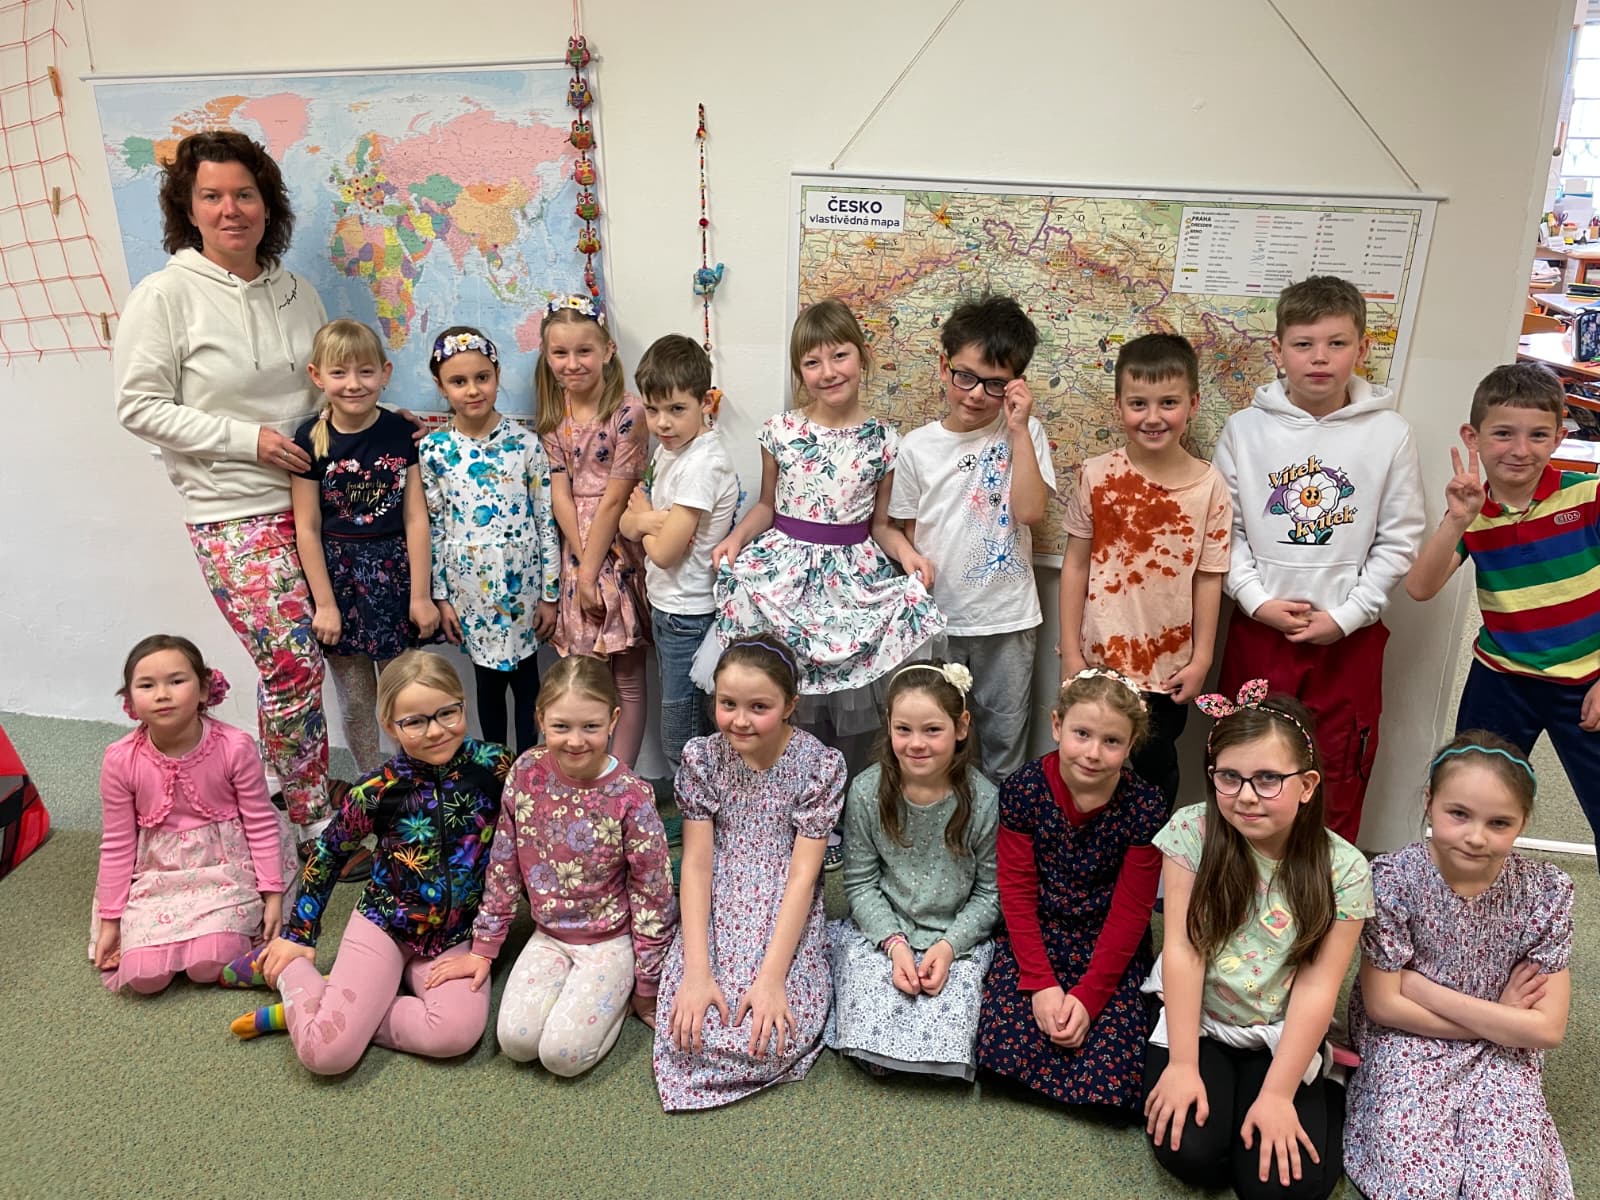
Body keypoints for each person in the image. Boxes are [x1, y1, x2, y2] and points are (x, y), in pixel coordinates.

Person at [114, 130, 334, 848]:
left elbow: (327, 391)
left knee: (315, 658)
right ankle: (311, 819)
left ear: (267, 204)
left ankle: (278, 779)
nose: (230, 209)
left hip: (314, 500)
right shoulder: (164, 295)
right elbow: (139, 406)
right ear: (189, 208)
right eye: (212, 196)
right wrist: (250, 440)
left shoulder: (299, 292)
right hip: (233, 511)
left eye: (244, 194)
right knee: (291, 662)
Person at [1211, 276, 1425, 842]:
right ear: (1278, 350)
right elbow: (1222, 532)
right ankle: (1239, 889)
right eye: (1304, 344)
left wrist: (1349, 615)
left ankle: (1324, 895)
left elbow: (1400, 538)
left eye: (1336, 343)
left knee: (1337, 775)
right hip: (1261, 633)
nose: (1320, 358)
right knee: (1246, 774)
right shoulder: (1244, 430)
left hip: (1347, 639)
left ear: (1362, 348)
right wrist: (1256, 601)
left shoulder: (1390, 434)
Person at [230, 652, 512, 1075]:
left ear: (463, 705)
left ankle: (332, 1004)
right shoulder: (375, 790)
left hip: (455, 934)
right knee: (327, 1057)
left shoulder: (497, 766)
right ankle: (295, 978)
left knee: (455, 1035)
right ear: (389, 725)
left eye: (447, 713)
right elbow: (327, 854)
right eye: (415, 722)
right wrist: (299, 934)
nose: (436, 730)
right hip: (385, 923)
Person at [1143, 683, 1373, 1200]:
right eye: (1229, 776)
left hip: (1281, 1028)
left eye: (1268, 778)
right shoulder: (1191, 831)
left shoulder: (1345, 869)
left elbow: (1318, 987)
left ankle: (1328, 1088)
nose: (1246, 796)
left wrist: (1278, 1095)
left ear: (1307, 785)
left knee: (1282, 1188)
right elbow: (1182, 950)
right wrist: (1182, 1065)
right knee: (1193, 1153)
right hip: (1202, 1019)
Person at [702, 298, 945, 755]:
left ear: (862, 356)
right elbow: (766, 506)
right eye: (812, 362)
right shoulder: (780, 431)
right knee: (779, 695)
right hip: (785, 577)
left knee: (841, 715)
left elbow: (881, 525)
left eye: (839, 356)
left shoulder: (885, 442)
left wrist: (909, 554)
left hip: (852, 581)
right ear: (799, 371)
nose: (828, 372)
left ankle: (832, 792)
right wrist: (735, 538)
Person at [1345, 732, 1573, 1200]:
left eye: (1499, 823)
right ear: (1429, 802)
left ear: (1523, 822)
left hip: (1500, 1051)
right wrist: (1500, 1020)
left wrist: (1422, 988)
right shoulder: (1393, 882)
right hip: (1408, 1040)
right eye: (1459, 814)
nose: (1475, 837)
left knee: (1511, 1183)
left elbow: (1547, 1029)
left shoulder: (1545, 893)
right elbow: (1384, 1006)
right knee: (1413, 1181)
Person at [442, 656, 678, 1076]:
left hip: (609, 940)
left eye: (591, 726)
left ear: (613, 720)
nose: (575, 741)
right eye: (561, 726)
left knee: (561, 1056)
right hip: (548, 934)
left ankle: (614, 995)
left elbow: (653, 893)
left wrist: (647, 981)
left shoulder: (631, 796)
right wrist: (484, 948)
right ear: (541, 719)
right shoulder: (525, 772)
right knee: (515, 1042)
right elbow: (503, 864)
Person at [1405, 361, 1600, 846]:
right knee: (1469, 799)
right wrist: (1456, 519)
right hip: (1501, 678)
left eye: (1538, 435)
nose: (1520, 450)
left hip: (1587, 679)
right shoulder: (1472, 509)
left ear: (1559, 438)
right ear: (1472, 437)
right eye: (1503, 434)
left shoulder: (1589, 495)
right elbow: (1420, 587)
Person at [653, 638, 846, 1110]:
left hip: (784, 903)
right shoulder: (703, 759)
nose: (740, 720)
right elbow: (697, 865)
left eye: (759, 707)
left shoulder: (818, 766)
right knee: (690, 1031)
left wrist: (772, 979)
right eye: (728, 704)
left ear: (790, 705)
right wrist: (697, 972)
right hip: (720, 899)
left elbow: (803, 877)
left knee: (769, 1036)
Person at [975, 669, 1166, 1111]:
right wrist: (1041, 984)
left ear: (1131, 745)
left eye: (1111, 741)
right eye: (1082, 734)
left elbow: (1132, 912)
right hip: (1037, 932)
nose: (1093, 753)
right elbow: (1016, 893)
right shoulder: (1024, 789)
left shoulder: (1145, 806)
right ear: (1057, 725)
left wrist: (1088, 997)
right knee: (1000, 1051)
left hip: (1107, 940)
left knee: (1118, 1073)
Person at [888, 295, 1056, 783]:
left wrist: (1019, 429)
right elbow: (907, 532)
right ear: (945, 367)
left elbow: (1030, 511)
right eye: (965, 376)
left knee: (1003, 744)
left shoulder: (1026, 433)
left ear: (1016, 384)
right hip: (938, 620)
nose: (977, 394)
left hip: (1007, 619)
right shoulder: (917, 447)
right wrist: (911, 559)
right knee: (934, 743)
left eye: (995, 384)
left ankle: (1000, 829)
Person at [1060, 333, 1230, 804]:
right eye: (1139, 403)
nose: (1153, 417)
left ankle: (1151, 848)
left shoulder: (1210, 486)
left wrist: (1202, 659)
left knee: (1155, 769)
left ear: (1193, 404)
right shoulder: (1097, 475)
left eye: (1168, 402)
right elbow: (1075, 565)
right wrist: (1071, 652)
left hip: (1168, 670)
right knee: (1089, 765)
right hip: (1098, 660)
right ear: (1119, 407)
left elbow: (1209, 578)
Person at [92, 634, 296, 993]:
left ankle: (217, 934)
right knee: (143, 977)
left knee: (211, 963)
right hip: (158, 873)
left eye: (176, 681)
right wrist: (111, 921)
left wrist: (272, 897)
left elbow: (261, 824)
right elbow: (118, 843)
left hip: (227, 865)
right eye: (147, 685)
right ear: (130, 701)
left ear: (203, 690)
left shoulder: (234, 746)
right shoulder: (120, 759)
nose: (162, 694)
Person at [825, 660, 999, 1080]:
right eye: (903, 729)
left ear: (961, 727)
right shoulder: (866, 791)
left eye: (932, 730)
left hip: (956, 935)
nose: (916, 743)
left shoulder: (984, 800)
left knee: (956, 1021)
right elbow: (861, 883)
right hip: (885, 930)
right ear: (888, 726)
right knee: (867, 999)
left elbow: (990, 893)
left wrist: (949, 947)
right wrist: (895, 945)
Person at [291, 319, 439, 775]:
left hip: (395, 578)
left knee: (406, 694)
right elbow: (307, 528)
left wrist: (420, 596)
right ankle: (369, 781)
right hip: (341, 585)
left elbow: (416, 518)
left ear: (385, 373)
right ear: (317, 376)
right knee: (356, 702)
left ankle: (414, 777)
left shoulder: (400, 432)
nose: (353, 384)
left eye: (365, 372)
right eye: (339, 373)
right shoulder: (309, 439)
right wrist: (325, 605)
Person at [420, 326, 560, 753]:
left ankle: (529, 764)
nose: (472, 390)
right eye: (458, 381)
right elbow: (436, 529)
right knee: (487, 685)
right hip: (470, 591)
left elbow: (545, 521)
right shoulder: (433, 451)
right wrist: (441, 597)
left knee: (528, 680)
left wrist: (550, 595)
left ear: (497, 375)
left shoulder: (527, 445)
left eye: (482, 377)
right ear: (441, 386)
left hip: (524, 587)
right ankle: (496, 768)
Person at [535, 295, 652, 768]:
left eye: (584, 350)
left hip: (618, 546)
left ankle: (622, 778)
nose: (572, 363)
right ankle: (583, 774)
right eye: (560, 353)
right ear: (546, 356)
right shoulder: (553, 415)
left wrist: (592, 573)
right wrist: (581, 567)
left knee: (627, 673)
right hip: (575, 550)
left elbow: (615, 498)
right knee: (582, 671)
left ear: (607, 350)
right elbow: (561, 495)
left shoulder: (629, 412)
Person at [619, 334, 740, 773]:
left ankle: (696, 810)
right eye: (652, 410)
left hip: (688, 613)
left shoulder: (703, 463)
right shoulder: (672, 451)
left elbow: (666, 553)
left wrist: (644, 520)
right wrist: (650, 521)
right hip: (668, 606)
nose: (662, 424)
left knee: (683, 736)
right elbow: (626, 524)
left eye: (676, 409)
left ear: (705, 402)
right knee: (683, 728)